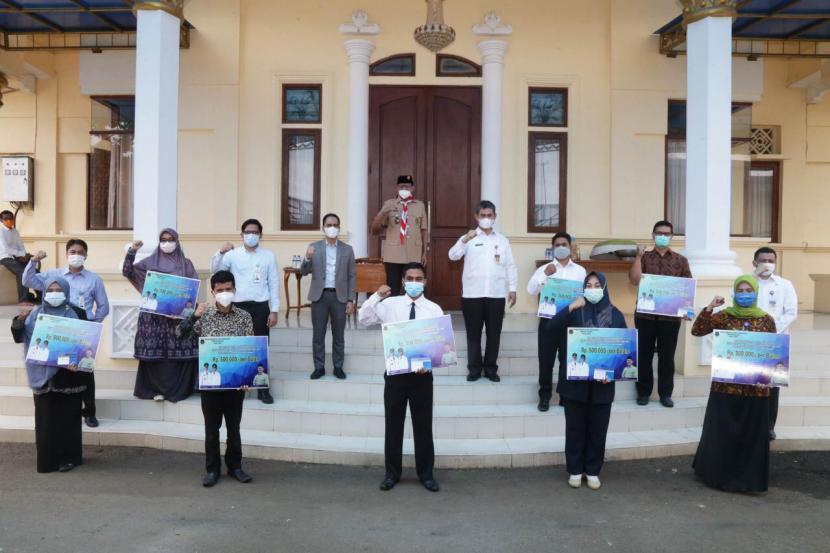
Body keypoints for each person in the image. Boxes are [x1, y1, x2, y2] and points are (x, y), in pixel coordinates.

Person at [358, 262, 441, 492]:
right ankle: (391, 473)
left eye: (419, 278)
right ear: (403, 281)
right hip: (395, 375)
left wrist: (433, 360)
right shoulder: (390, 304)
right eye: (410, 278)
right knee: (393, 425)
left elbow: (440, 344)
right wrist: (376, 296)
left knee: (423, 426)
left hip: (422, 376)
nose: (414, 282)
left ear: (425, 281)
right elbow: (363, 319)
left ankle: (426, 474)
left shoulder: (434, 309)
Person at [691, 275, 777, 493]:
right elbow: (697, 330)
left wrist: (768, 380)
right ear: (735, 292)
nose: (745, 294)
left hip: (755, 390)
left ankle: (748, 480)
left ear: (756, 293)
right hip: (725, 387)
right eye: (741, 290)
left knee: (750, 435)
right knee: (723, 432)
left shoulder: (767, 320)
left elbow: (772, 353)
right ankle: (718, 476)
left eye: (749, 290)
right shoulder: (725, 316)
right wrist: (709, 307)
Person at [548, 272, 626, 490]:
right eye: (588, 285)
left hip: (602, 385)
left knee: (598, 429)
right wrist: (570, 307)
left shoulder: (616, 315)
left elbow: (622, 350)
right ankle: (574, 469)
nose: (592, 288)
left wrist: (612, 370)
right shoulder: (575, 311)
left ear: (605, 287)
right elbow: (550, 328)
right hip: (575, 385)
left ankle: (592, 470)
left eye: (597, 284)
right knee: (575, 428)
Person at [178, 270, 255, 487]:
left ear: (234, 290)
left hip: (235, 384)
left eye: (228, 289)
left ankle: (235, 467)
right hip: (211, 384)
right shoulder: (205, 316)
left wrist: (249, 377)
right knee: (211, 430)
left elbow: (250, 349)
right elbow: (180, 334)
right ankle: (212, 470)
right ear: (212, 292)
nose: (224, 293)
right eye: (220, 290)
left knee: (234, 428)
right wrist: (194, 315)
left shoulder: (244, 317)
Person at [24, 239, 109, 428]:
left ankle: (89, 412)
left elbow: (103, 306)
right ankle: (62, 411)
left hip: (80, 328)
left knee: (85, 371)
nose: (76, 255)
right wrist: (34, 261)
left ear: (85, 255)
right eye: (72, 251)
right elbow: (28, 281)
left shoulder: (94, 279)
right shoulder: (54, 275)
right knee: (59, 371)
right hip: (56, 327)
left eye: (80, 252)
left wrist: (91, 326)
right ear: (66, 254)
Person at [12, 277, 85, 473]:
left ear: (66, 292)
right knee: (46, 421)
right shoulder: (36, 314)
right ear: (44, 292)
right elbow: (21, 337)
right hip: (43, 375)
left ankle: (70, 458)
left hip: (68, 374)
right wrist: (18, 322)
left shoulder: (76, 313)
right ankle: (48, 460)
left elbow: (85, 343)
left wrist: (77, 360)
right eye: (50, 289)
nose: (54, 293)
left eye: (58, 289)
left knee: (68, 419)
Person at [123, 229, 199, 403]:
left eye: (171, 239)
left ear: (177, 241)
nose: (167, 243)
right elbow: (128, 272)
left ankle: (177, 391)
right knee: (156, 354)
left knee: (176, 354)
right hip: (153, 319)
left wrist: (182, 311)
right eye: (163, 240)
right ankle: (155, 390)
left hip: (177, 318)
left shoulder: (186, 264)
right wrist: (132, 251)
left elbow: (192, 290)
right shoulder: (149, 262)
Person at [449, 201, 518, 383]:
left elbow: (510, 266)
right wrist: (465, 239)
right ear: (476, 217)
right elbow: (453, 255)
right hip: (472, 295)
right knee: (473, 334)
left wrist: (513, 289)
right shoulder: (469, 238)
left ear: (494, 217)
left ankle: (490, 369)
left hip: (496, 295)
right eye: (483, 215)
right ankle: (474, 369)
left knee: (494, 334)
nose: (486, 218)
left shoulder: (502, 240)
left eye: (489, 215)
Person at [211, 218, 278, 404]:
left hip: (260, 307)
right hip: (237, 306)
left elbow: (274, 283)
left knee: (260, 348)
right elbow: (216, 273)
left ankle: (262, 388)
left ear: (261, 235)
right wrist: (220, 252)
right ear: (241, 235)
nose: (251, 235)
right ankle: (235, 385)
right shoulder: (232, 255)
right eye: (247, 232)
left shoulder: (268, 256)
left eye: (255, 232)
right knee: (236, 346)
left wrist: (275, 310)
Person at [629, 220, 692, 408]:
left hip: (670, 318)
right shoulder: (645, 258)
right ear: (653, 235)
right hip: (645, 315)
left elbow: (687, 289)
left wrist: (687, 310)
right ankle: (643, 393)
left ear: (672, 236)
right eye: (659, 233)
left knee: (667, 356)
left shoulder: (681, 261)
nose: (663, 236)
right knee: (644, 354)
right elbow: (634, 280)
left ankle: (665, 394)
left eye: (666, 233)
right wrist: (638, 257)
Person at [527, 232, 587, 410]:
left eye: (564, 244)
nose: (561, 247)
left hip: (571, 320)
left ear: (570, 247)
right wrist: (544, 275)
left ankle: (564, 395)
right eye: (557, 245)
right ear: (552, 248)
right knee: (546, 360)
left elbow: (584, 296)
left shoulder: (580, 271)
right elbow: (530, 290)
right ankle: (544, 396)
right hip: (549, 320)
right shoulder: (544, 269)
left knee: (567, 359)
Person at [301, 213, 356, 381]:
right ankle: (319, 367)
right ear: (323, 227)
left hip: (339, 297)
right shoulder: (314, 247)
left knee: (338, 335)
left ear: (339, 228)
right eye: (329, 224)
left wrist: (350, 299)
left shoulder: (347, 249)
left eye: (335, 225)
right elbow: (303, 272)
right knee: (318, 334)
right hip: (320, 297)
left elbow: (352, 275)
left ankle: (338, 367)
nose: (332, 227)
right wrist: (307, 257)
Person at [751, 246, 798, 441]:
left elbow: (791, 312)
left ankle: (769, 426)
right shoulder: (746, 283)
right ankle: (751, 424)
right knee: (750, 383)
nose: (768, 264)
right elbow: (735, 302)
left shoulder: (785, 285)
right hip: (751, 341)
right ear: (755, 263)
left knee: (772, 386)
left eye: (771, 261)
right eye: (764, 260)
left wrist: (770, 330)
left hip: (776, 342)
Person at [370, 175, 428, 296]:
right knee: (393, 289)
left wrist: (425, 253)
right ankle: (393, 314)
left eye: (407, 186)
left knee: (413, 288)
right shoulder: (389, 204)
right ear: (397, 188)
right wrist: (383, 212)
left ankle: (412, 314)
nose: (404, 189)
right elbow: (375, 230)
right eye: (402, 186)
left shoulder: (420, 205)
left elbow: (424, 229)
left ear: (413, 188)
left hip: (414, 253)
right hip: (393, 254)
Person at [0, 210, 36, 303]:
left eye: (11, 218)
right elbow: (6, 249)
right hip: (4, 257)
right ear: (1, 220)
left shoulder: (15, 231)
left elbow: (20, 245)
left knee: (33, 269)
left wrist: (24, 255)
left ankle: (40, 296)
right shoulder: (1, 232)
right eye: (6, 219)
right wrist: (20, 254)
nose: (9, 220)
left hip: (16, 256)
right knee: (22, 271)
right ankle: (23, 301)